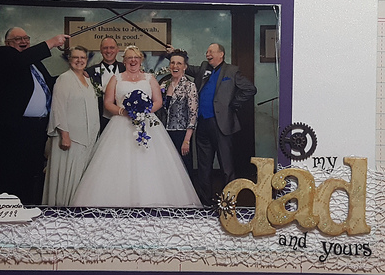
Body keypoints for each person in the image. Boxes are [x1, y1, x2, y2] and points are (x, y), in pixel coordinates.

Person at [70, 45, 201, 208]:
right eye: (129, 58)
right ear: (124, 61)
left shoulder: (149, 78)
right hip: (121, 124)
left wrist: (143, 111)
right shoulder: (116, 78)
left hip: (147, 123)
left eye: (136, 58)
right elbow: (108, 103)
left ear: (141, 60)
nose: (133, 61)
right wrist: (123, 111)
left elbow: (158, 101)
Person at [0, 27, 68, 205]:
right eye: (18, 39)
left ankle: (28, 205)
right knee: (13, 172)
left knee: (33, 171)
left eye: (26, 38)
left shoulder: (34, 62)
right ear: (8, 43)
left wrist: (73, 76)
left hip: (37, 128)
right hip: (16, 129)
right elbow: (19, 61)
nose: (23, 41)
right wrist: (52, 42)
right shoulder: (3, 55)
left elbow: (50, 82)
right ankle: (9, 208)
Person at [184, 43, 256, 206]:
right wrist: (172, 53)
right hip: (202, 124)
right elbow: (185, 67)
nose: (207, 54)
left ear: (221, 54)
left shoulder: (231, 71)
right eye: (207, 51)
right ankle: (205, 202)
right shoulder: (203, 68)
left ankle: (229, 202)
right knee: (203, 167)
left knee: (226, 166)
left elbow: (250, 89)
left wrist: (233, 104)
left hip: (221, 124)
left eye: (211, 51)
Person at [42, 46, 100, 206]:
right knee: (67, 175)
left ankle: (75, 206)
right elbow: (58, 108)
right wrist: (65, 135)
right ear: (69, 60)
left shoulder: (87, 80)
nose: (79, 60)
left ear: (87, 60)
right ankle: (62, 206)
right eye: (76, 57)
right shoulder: (64, 79)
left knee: (80, 176)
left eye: (82, 57)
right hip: (71, 138)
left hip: (87, 137)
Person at [158, 50, 198, 182]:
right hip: (165, 133)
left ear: (185, 66)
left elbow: (193, 114)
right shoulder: (164, 84)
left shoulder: (189, 86)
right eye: (172, 63)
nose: (175, 66)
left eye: (179, 63)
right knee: (167, 167)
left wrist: (187, 140)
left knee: (184, 168)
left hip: (181, 133)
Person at [85, 36, 126, 132]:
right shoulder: (90, 72)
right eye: (105, 48)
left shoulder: (126, 69)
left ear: (117, 50)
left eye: (112, 48)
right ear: (100, 50)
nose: (108, 51)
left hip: (124, 118)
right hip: (100, 119)